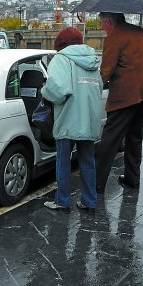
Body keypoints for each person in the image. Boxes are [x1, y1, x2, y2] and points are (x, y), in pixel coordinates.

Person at [95, 12, 143, 193]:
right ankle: (132, 179)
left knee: (109, 141)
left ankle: (97, 185)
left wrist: (94, 87)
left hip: (126, 96)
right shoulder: (140, 32)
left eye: (103, 24)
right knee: (134, 136)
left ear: (109, 22)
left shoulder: (115, 37)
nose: (103, 29)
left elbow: (106, 71)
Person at [41, 27, 103, 214]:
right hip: (89, 118)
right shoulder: (93, 61)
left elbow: (58, 90)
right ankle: (89, 202)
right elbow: (99, 88)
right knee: (87, 161)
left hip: (68, 118)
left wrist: (44, 91)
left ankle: (62, 201)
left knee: (63, 162)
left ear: (60, 43)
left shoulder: (61, 59)